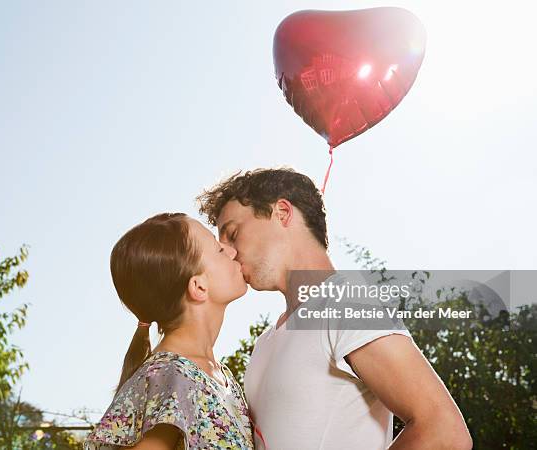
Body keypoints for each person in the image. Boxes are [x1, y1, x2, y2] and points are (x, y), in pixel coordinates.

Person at [197, 168, 473, 450]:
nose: (228, 251)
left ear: (281, 213)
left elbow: (444, 431)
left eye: (232, 233)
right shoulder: (264, 342)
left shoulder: (349, 304)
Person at [84, 213, 254, 450]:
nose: (233, 251)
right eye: (218, 250)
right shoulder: (170, 376)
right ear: (199, 286)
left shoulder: (217, 375)